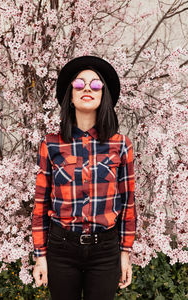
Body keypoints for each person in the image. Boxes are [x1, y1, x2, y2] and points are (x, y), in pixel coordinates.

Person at [32, 55, 137, 300]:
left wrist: (125, 253)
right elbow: (40, 204)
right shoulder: (51, 144)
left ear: (104, 95)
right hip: (62, 248)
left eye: (96, 84)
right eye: (79, 84)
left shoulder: (121, 145)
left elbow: (128, 203)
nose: (87, 88)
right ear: (70, 96)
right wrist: (40, 256)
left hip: (105, 251)